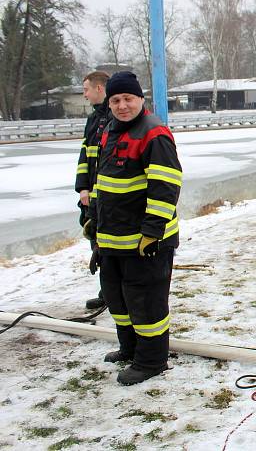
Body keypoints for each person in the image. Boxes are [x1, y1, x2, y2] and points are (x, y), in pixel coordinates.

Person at [83, 71, 182, 386]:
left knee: (146, 302)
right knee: (118, 300)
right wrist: (94, 225)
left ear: (141, 99)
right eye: (116, 100)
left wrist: (153, 233)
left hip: (144, 241)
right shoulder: (109, 130)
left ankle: (152, 360)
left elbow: (166, 186)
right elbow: (102, 183)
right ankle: (129, 348)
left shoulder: (154, 133)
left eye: (128, 99)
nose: (122, 105)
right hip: (113, 238)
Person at [75, 71, 110, 310]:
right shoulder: (93, 120)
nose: (85, 95)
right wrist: (82, 188)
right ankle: (106, 291)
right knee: (96, 242)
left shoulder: (114, 116)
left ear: (99, 88)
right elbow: (85, 156)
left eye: (86, 89)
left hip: (108, 193)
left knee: (107, 245)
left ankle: (112, 291)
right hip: (92, 195)